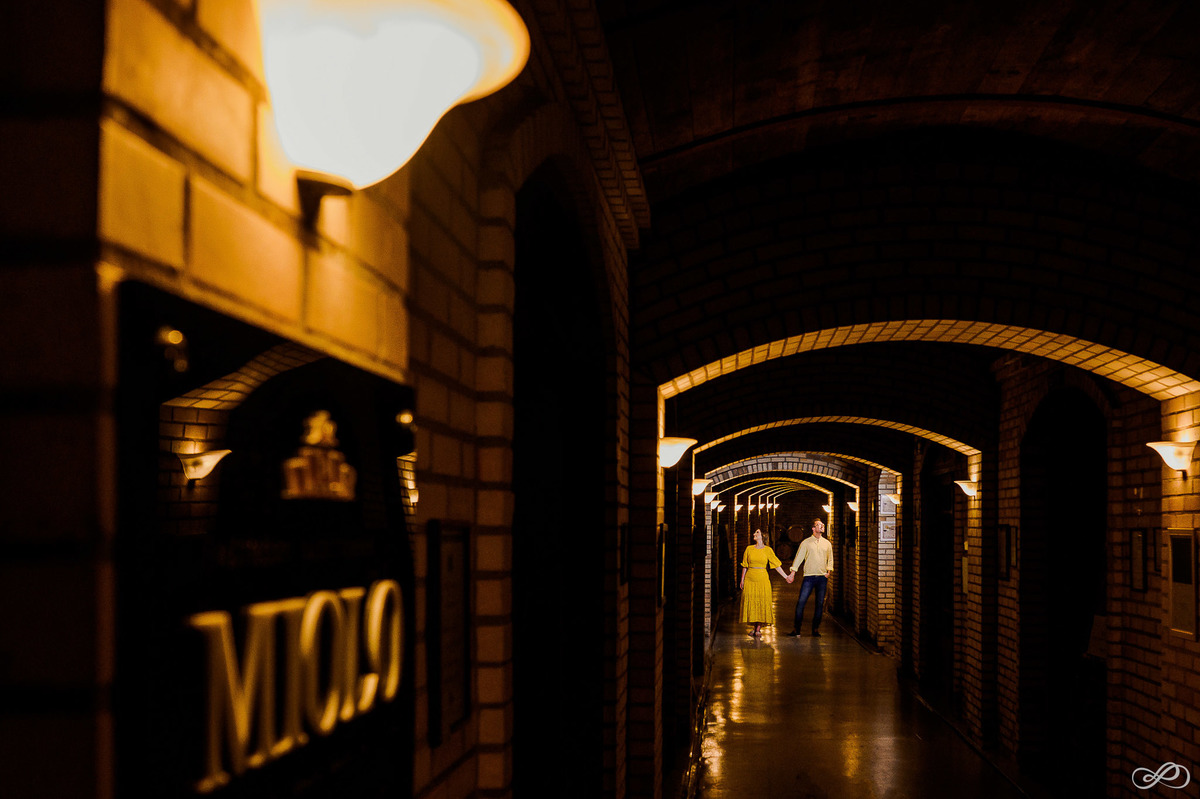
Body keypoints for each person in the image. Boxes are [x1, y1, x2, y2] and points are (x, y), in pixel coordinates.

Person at [739, 529, 793, 637]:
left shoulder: (768, 550)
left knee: (761, 601)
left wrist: (786, 576)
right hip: (750, 578)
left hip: (762, 578)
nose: (754, 534)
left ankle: (758, 628)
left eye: (757, 533)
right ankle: (754, 627)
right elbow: (745, 565)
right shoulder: (749, 549)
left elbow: (777, 565)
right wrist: (742, 580)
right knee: (752, 601)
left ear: (763, 536)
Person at [786, 518, 834, 637]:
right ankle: (797, 629)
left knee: (819, 604)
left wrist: (829, 571)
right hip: (809, 577)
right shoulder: (806, 543)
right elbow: (798, 558)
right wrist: (793, 572)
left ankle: (815, 629)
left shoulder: (827, 543)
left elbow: (830, 558)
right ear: (813, 528)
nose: (822, 526)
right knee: (801, 602)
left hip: (822, 578)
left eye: (822, 525)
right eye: (819, 525)